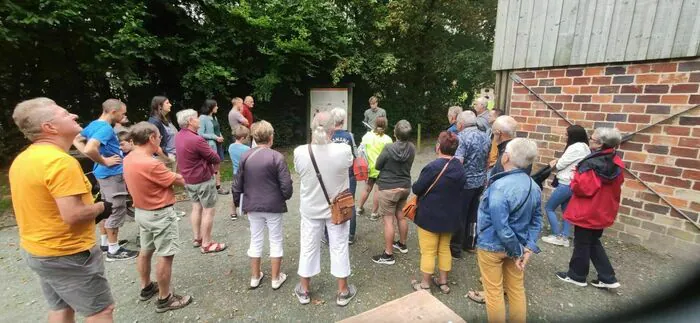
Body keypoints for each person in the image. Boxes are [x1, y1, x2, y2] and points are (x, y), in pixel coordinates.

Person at [10, 98, 115, 322]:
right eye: (66, 114)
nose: (74, 116)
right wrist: (101, 207)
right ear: (50, 127)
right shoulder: (60, 162)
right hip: (68, 253)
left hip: (38, 250)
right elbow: (74, 215)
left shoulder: (24, 159)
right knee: (100, 311)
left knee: (62, 308)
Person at [122, 122, 192, 313]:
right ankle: (165, 298)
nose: (160, 140)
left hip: (142, 213)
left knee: (145, 250)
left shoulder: (129, 158)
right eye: (159, 137)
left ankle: (146, 287)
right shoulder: (150, 163)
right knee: (166, 255)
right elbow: (180, 180)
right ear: (152, 138)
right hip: (159, 214)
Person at [293, 111, 357, 307]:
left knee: (308, 247)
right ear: (333, 128)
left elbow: (299, 172)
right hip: (336, 209)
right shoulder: (343, 150)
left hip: (311, 208)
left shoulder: (300, 152)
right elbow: (351, 165)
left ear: (312, 128)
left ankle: (304, 290)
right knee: (339, 247)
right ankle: (342, 292)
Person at [477, 138, 542, 323]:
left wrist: (517, 251)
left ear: (505, 157)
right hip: (518, 247)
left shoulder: (498, 187)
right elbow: (536, 220)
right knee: (516, 289)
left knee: (494, 292)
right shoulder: (534, 186)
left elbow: (501, 226)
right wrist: (527, 248)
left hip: (491, 246)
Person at [556, 128, 624, 289]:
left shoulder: (591, 164)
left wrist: (574, 178)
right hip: (604, 208)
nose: (590, 140)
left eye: (592, 139)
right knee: (593, 241)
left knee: (582, 242)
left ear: (601, 144)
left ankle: (577, 275)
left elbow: (583, 188)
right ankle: (608, 277)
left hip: (588, 209)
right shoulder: (616, 160)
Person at [73, 98, 138, 261]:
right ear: (113, 112)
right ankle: (114, 250)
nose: (124, 116)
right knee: (116, 208)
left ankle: (105, 243)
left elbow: (77, 140)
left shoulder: (94, 124)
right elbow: (89, 147)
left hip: (102, 174)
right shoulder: (105, 128)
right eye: (122, 113)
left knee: (106, 207)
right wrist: (103, 160)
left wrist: (95, 159)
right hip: (111, 174)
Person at [233, 121, 293, 290]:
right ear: (271, 137)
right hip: (273, 205)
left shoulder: (245, 156)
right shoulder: (277, 157)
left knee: (256, 239)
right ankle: (275, 278)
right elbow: (286, 187)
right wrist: (285, 195)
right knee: (275, 239)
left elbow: (237, 183)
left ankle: (255, 276)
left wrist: (239, 203)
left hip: (252, 205)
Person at [410, 131, 465, 293]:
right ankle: (443, 282)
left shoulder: (433, 167)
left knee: (428, 251)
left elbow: (417, 188)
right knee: (444, 248)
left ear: (438, 147)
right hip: (450, 216)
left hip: (430, 216)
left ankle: (425, 284)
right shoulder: (460, 167)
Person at [175, 109, 226, 254]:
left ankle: (197, 238)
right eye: (197, 118)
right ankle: (207, 243)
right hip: (202, 179)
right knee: (208, 210)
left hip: (189, 179)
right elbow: (214, 157)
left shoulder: (179, 136)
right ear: (190, 121)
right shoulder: (196, 140)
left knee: (196, 207)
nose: (200, 120)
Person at [371, 120, 415, 265]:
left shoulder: (388, 148)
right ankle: (402, 244)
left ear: (395, 133)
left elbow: (378, 165)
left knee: (388, 220)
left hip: (388, 188)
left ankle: (388, 254)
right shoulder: (412, 148)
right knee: (401, 216)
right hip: (404, 187)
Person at [542, 125, 591, 247]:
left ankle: (557, 235)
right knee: (566, 211)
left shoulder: (575, 147)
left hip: (566, 183)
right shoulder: (586, 147)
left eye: (567, 134)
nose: (565, 137)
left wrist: (555, 163)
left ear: (573, 136)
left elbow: (560, 165)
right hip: (574, 183)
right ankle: (564, 236)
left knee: (549, 207)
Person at [450, 110, 490, 258]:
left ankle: (455, 247)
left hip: (465, 183)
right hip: (480, 181)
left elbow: (458, 162)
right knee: (473, 213)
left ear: (460, 124)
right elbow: (486, 160)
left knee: (460, 214)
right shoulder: (485, 136)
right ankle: (470, 243)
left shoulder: (461, 138)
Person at [323, 108, 359, 244]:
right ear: (343, 121)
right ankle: (350, 235)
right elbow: (356, 154)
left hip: (330, 175)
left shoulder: (328, 135)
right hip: (348, 174)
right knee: (349, 203)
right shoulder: (349, 136)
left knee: (330, 202)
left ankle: (328, 236)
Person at [357, 116, 393, 220]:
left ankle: (359, 208)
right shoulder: (388, 139)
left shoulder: (367, 136)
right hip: (381, 169)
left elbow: (361, 150)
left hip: (368, 168)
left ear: (374, 124)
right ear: (385, 125)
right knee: (377, 191)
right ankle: (374, 213)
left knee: (367, 188)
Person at [198, 99, 229, 195]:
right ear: (210, 107)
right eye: (216, 106)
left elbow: (217, 129)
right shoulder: (202, 118)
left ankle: (218, 187)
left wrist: (220, 135)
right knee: (210, 167)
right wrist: (215, 137)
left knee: (217, 166)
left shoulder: (214, 117)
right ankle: (210, 188)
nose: (217, 107)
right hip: (209, 146)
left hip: (217, 144)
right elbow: (200, 134)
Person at [148, 96, 178, 171]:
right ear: (159, 106)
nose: (170, 105)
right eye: (167, 103)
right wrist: (167, 157)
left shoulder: (166, 118)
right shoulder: (154, 122)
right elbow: (153, 143)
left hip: (172, 157)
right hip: (164, 159)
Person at [228, 125, 251, 220]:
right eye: (247, 137)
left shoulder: (231, 147)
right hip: (246, 174)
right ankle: (248, 210)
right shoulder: (247, 149)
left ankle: (233, 213)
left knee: (235, 192)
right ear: (242, 138)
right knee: (248, 192)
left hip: (236, 173)